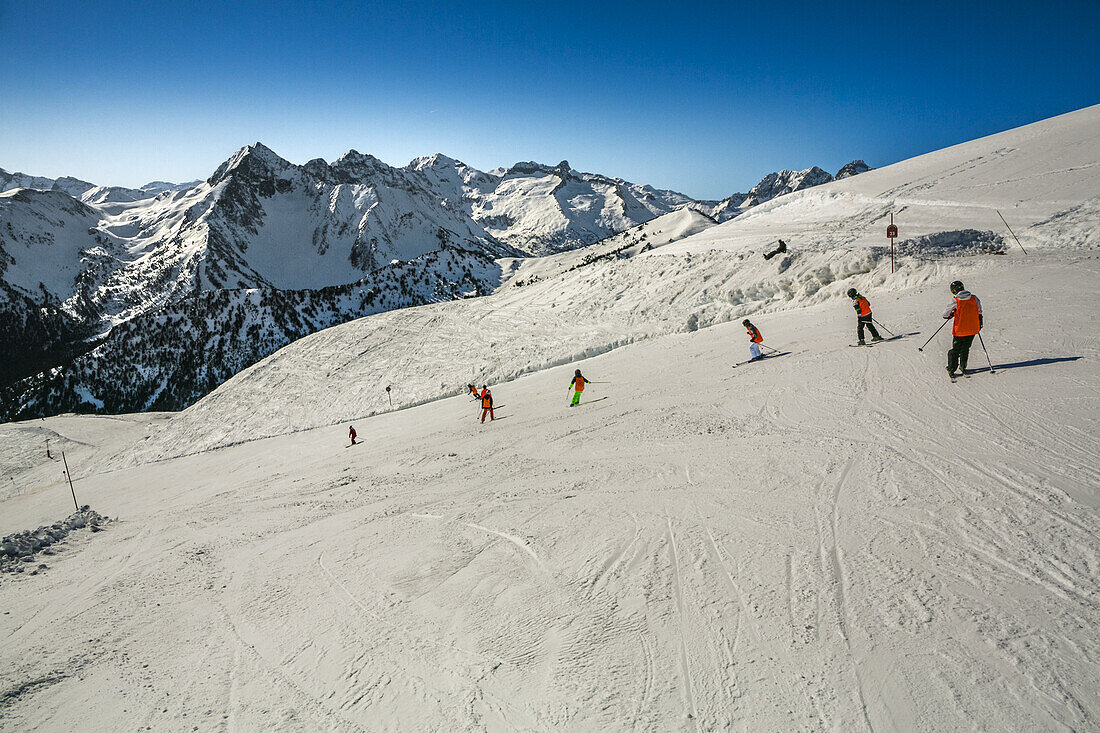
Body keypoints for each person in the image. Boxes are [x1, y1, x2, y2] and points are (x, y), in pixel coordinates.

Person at [943, 280, 982, 376]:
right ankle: (963, 366)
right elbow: (979, 311)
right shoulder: (974, 298)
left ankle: (951, 369)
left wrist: (952, 313)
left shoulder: (955, 300)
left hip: (960, 329)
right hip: (973, 328)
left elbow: (945, 314)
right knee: (966, 348)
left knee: (955, 350)